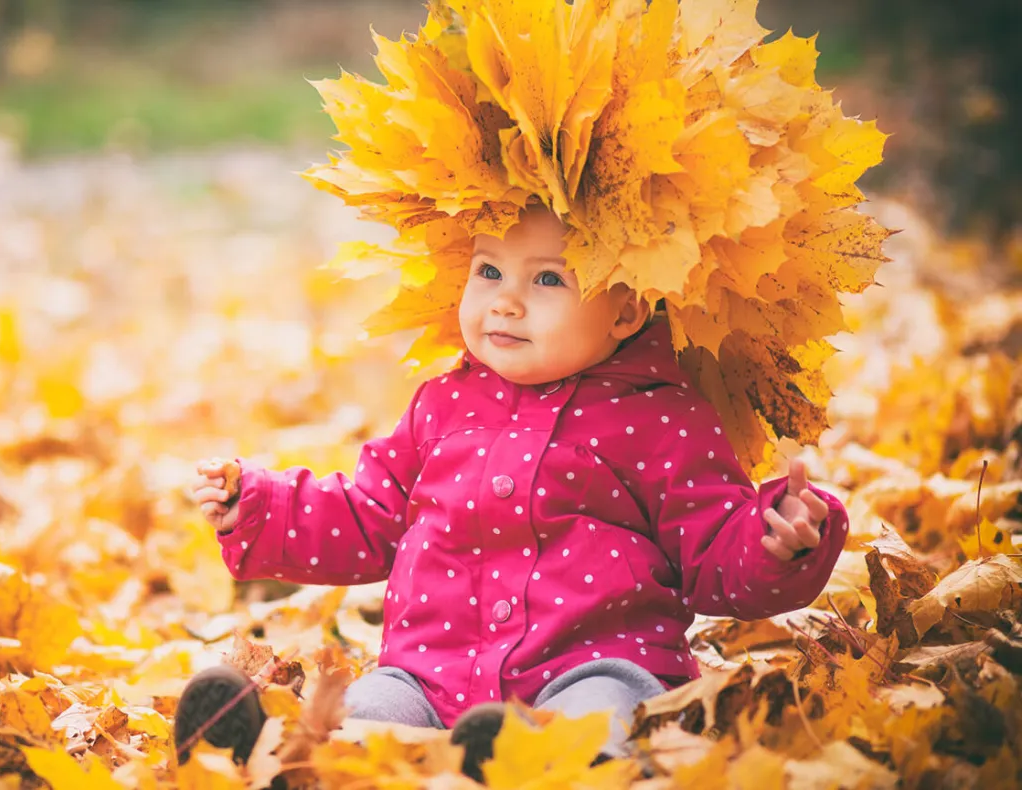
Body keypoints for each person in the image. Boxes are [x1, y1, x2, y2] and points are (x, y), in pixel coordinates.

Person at [176, 206, 849, 781]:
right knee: (370, 718)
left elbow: (712, 557)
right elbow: (369, 515)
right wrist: (259, 508)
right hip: (429, 674)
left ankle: (553, 767)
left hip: (596, 664)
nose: (505, 299)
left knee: (602, 715)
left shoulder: (662, 416)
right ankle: (278, 756)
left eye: (548, 278)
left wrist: (775, 542)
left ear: (625, 310)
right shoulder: (442, 405)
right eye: (489, 271)